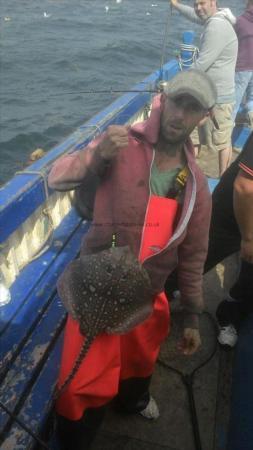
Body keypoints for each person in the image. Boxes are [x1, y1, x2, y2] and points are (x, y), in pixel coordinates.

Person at [47, 69, 217, 450]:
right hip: (95, 282)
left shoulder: (195, 185)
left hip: (147, 293)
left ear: (204, 116)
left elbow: (193, 255)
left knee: (140, 362)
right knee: (78, 384)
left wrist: (191, 315)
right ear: (163, 100)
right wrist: (96, 156)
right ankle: (75, 439)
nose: (180, 115)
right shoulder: (122, 144)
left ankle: (133, 400)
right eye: (177, 102)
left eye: (192, 108)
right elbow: (57, 177)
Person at [169, 0, 238, 175]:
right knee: (194, 135)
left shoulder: (216, 27)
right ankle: (190, 173)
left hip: (219, 97)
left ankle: (223, 178)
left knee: (222, 141)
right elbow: (196, 15)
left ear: (214, 2)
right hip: (205, 94)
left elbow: (202, 64)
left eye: (202, 3)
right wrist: (176, 5)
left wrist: (175, 85)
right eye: (195, 4)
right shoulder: (215, 18)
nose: (198, 8)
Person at [204, 131, 253, 347]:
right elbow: (244, 187)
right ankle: (163, 297)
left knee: (249, 279)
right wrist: (248, 238)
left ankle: (229, 314)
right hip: (232, 211)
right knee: (198, 259)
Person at [233, 0, 253, 127]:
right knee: (252, 100)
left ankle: (224, 137)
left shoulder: (239, 21)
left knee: (233, 103)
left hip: (242, 67)